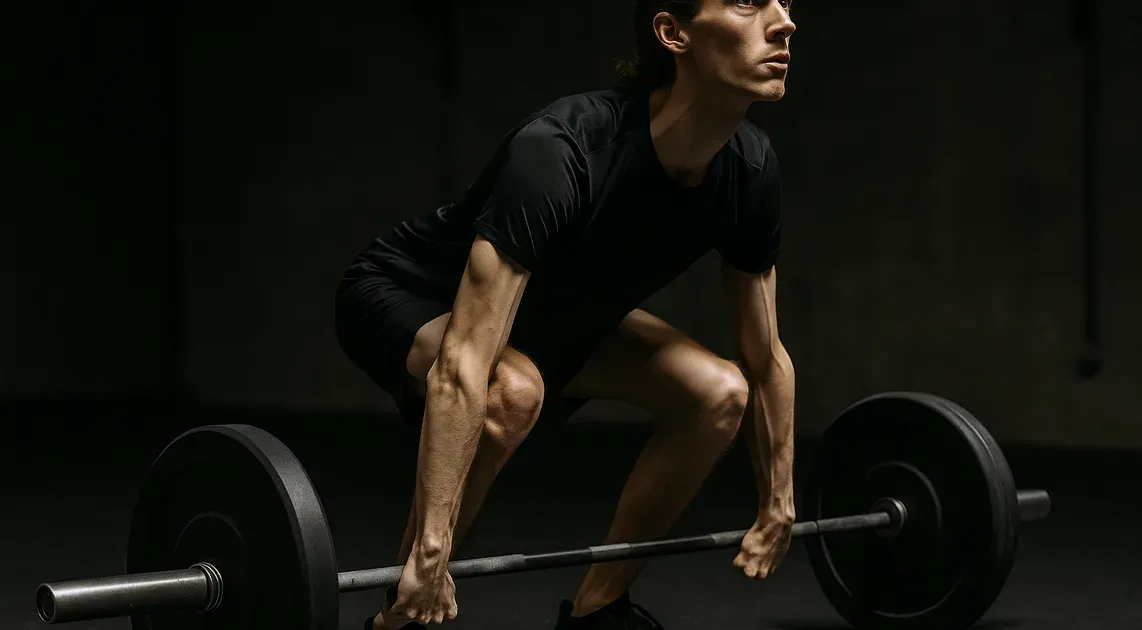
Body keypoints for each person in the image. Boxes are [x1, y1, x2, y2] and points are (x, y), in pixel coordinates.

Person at [334, 0, 798, 627]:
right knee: (511, 391)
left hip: (551, 322)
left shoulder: (749, 171)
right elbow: (465, 361)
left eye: (786, 2)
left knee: (718, 393)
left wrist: (778, 500)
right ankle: (400, 618)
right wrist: (429, 551)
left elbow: (764, 354)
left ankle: (598, 610)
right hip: (410, 294)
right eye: (747, 2)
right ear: (674, 33)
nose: (783, 21)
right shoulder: (564, 150)